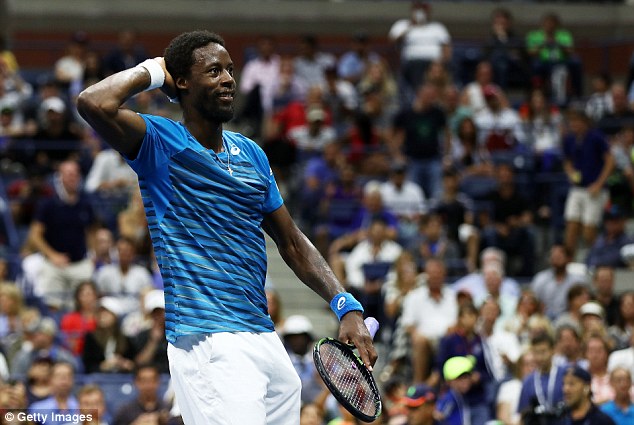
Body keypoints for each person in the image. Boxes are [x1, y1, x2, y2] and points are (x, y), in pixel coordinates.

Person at [77, 30, 377, 425]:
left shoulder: (251, 153)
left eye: (231, 70)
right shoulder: (160, 144)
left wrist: (345, 304)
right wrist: (155, 70)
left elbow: (291, 240)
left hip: (264, 338)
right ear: (182, 81)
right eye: (214, 70)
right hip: (208, 339)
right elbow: (93, 102)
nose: (228, 79)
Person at [26, 160, 97, 312]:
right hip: (54, 265)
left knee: (84, 308)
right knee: (51, 306)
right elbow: (35, 235)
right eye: (68, 174)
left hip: (80, 263)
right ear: (60, 177)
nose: (72, 177)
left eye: (75, 174)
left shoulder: (85, 203)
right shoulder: (48, 204)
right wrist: (52, 255)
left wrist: (92, 253)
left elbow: (91, 231)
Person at [562, 109, 614, 258]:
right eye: (572, 122)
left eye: (577, 121)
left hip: (594, 190)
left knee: (588, 230)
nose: (574, 125)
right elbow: (567, 160)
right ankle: (568, 263)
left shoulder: (596, 137)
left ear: (585, 122)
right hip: (577, 188)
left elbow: (610, 161)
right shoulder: (569, 139)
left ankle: (599, 258)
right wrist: (570, 173)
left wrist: (599, 183)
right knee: (571, 226)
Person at [517, 332, 567, 424]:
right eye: (536, 353)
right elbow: (523, 417)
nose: (540, 357)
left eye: (543, 352)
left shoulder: (565, 374)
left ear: (553, 350)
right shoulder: (528, 381)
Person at [434, 356, 477, 425]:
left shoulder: (461, 396)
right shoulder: (449, 398)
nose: (465, 381)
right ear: (448, 381)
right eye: (460, 378)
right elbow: (438, 415)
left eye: (467, 376)